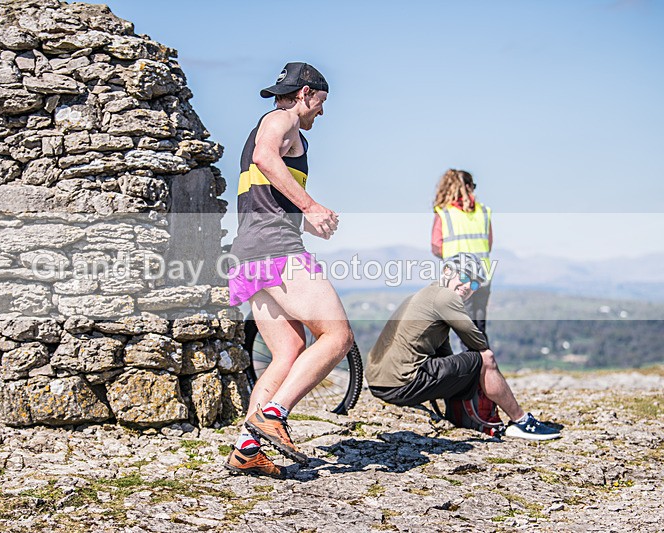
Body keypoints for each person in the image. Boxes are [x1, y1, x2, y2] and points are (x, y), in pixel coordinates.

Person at [223, 62, 354, 477]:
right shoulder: (281, 119)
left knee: (286, 353)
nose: (322, 112)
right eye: (321, 102)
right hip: (276, 249)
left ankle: (247, 449)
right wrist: (311, 206)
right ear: (305, 94)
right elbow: (265, 156)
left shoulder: (274, 123)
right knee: (337, 335)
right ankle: (273, 414)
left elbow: (261, 161)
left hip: (247, 253)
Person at [365, 253, 561, 441]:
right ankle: (521, 422)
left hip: (379, 384)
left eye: (474, 283)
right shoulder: (445, 297)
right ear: (447, 271)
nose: (468, 286)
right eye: (465, 276)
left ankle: (463, 416)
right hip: (402, 384)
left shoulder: (425, 295)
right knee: (485, 359)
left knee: (465, 364)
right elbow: (479, 344)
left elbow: (444, 354)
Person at [432, 169, 493, 339]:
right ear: (467, 187)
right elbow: (488, 244)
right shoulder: (483, 212)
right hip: (483, 277)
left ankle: (474, 365)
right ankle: (483, 363)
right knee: (479, 328)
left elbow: (436, 246)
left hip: (458, 279)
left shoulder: (444, 213)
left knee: (465, 330)